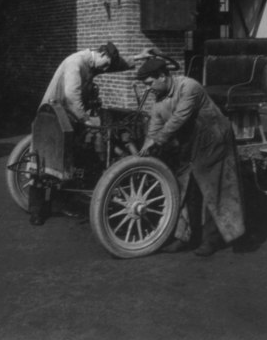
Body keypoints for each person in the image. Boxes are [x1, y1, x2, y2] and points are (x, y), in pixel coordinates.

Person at [136, 57, 245, 256]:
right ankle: (184, 237)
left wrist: (158, 139)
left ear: (162, 76)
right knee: (185, 185)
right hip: (191, 141)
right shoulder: (159, 99)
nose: (149, 88)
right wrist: (144, 150)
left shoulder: (189, 86)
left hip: (213, 137)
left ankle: (211, 240)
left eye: (150, 83)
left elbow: (179, 117)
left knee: (212, 187)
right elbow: (155, 125)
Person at [29, 42, 135, 225]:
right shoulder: (76, 63)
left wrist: (139, 58)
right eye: (107, 64)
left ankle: (64, 201)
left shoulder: (93, 63)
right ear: (100, 54)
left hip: (67, 118)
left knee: (68, 160)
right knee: (43, 164)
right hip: (55, 117)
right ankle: (37, 211)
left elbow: (115, 65)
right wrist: (86, 119)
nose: (107, 69)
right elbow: (72, 96)